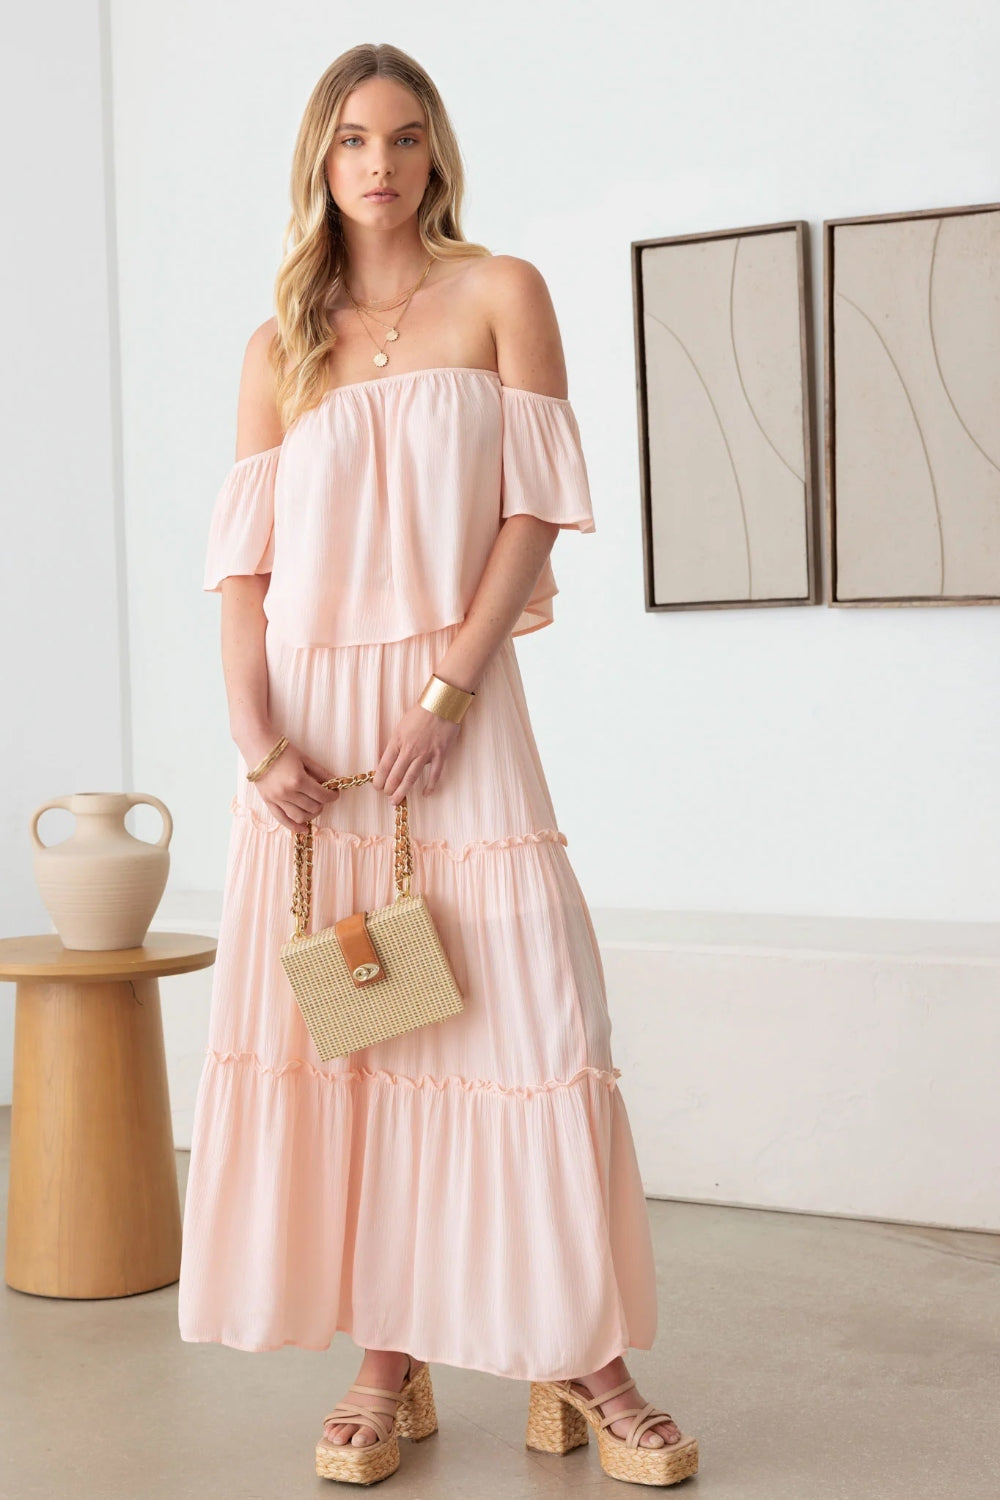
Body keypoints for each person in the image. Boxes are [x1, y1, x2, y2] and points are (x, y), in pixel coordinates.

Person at [177, 41, 698, 1489]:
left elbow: (532, 514)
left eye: (405, 137)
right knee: (361, 1039)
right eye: (352, 139)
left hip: (448, 702)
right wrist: (255, 740)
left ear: (436, 152)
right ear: (320, 161)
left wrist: (450, 686)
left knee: (527, 1023)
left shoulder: (502, 294)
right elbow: (242, 572)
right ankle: (383, 1364)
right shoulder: (279, 341)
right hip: (310, 737)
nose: (381, 164)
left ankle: (582, 1361)